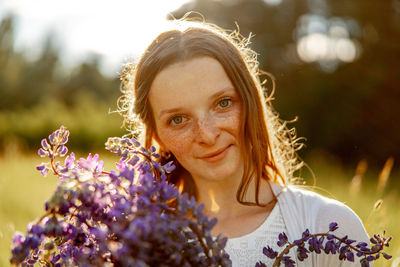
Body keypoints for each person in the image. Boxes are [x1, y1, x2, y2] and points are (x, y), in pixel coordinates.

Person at [118, 18, 370, 266]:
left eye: (223, 103)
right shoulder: (135, 240)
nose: (207, 135)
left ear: (251, 103)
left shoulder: (328, 226)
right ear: (157, 135)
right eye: (178, 119)